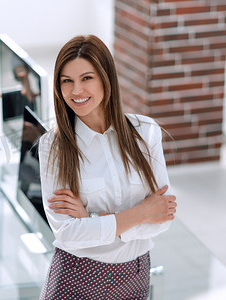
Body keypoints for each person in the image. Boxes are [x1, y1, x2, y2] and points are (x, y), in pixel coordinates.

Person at [38, 35, 177, 299]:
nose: (76, 91)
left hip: (135, 275)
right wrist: (141, 213)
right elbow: (68, 234)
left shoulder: (146, 133)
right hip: (76, 277)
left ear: (106, 78)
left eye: (86, 78)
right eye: (67, 81)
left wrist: (93, 221)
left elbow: (162, 217)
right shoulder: (53, 146)